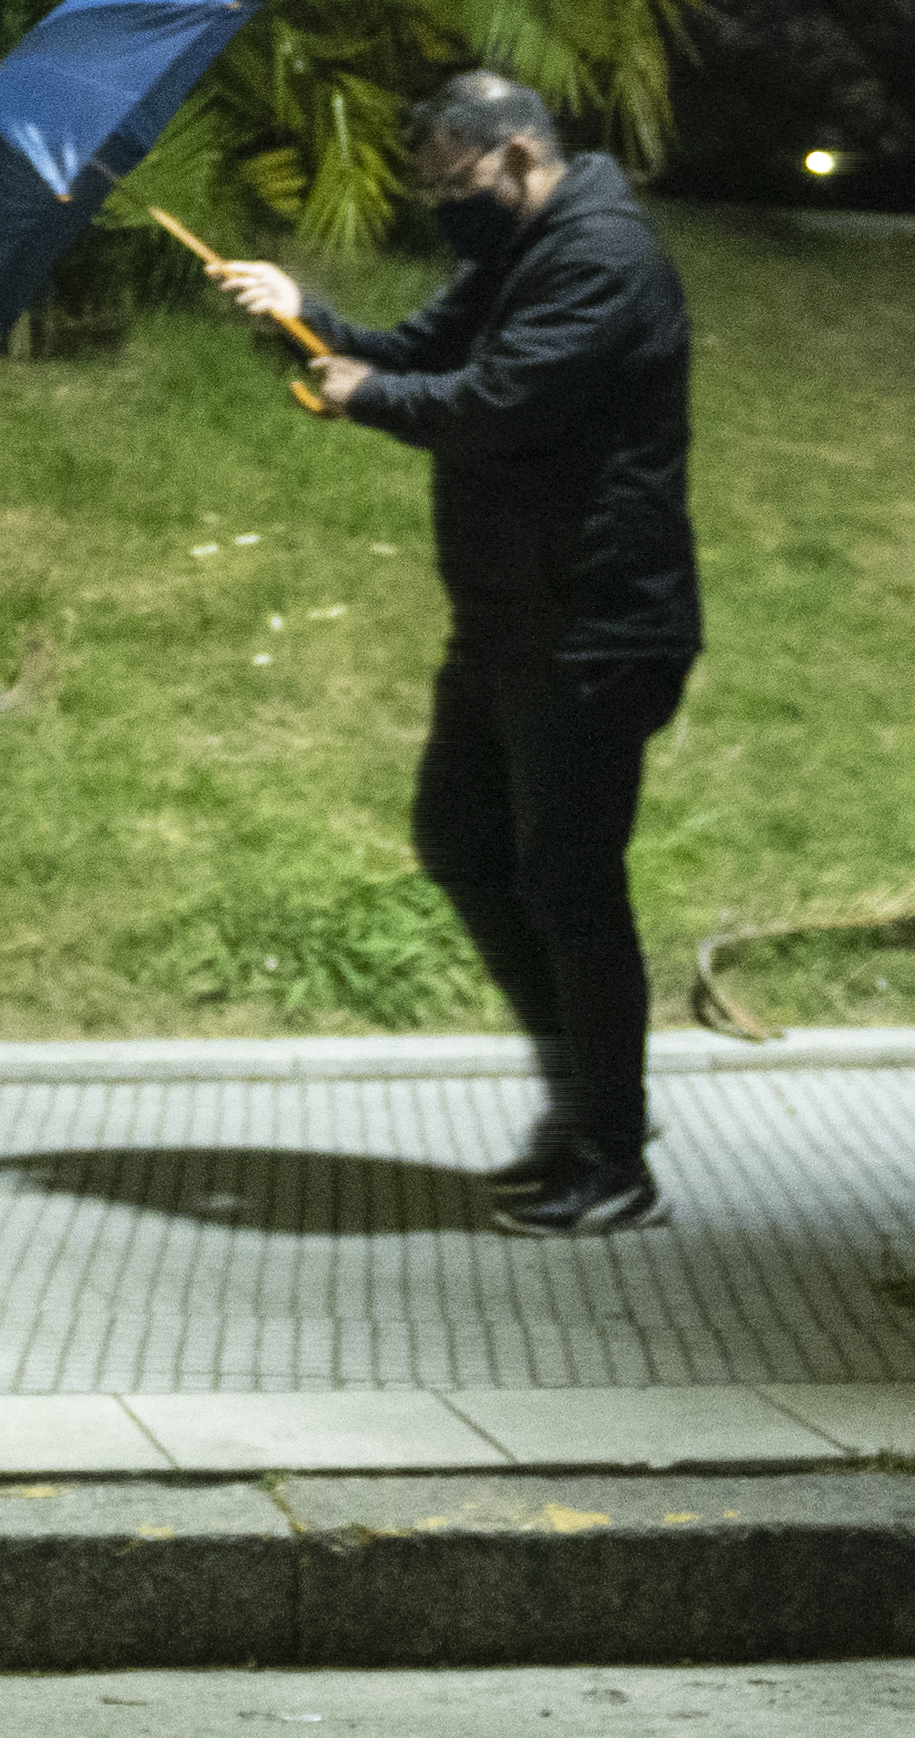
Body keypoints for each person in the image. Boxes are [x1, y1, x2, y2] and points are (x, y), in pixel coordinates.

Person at [211, 69, 700, 1235]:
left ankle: (612, 1152)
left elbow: (494, 403)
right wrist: (302, 310)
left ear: (521, 154)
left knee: (573, 883)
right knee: (464, 838)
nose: (446, 206)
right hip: (511, 617)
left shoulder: (601, 259)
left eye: (457, 182)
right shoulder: (520, 251)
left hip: (593, 622)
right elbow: (411, 348)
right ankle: (592, 1101)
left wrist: (368, 395)